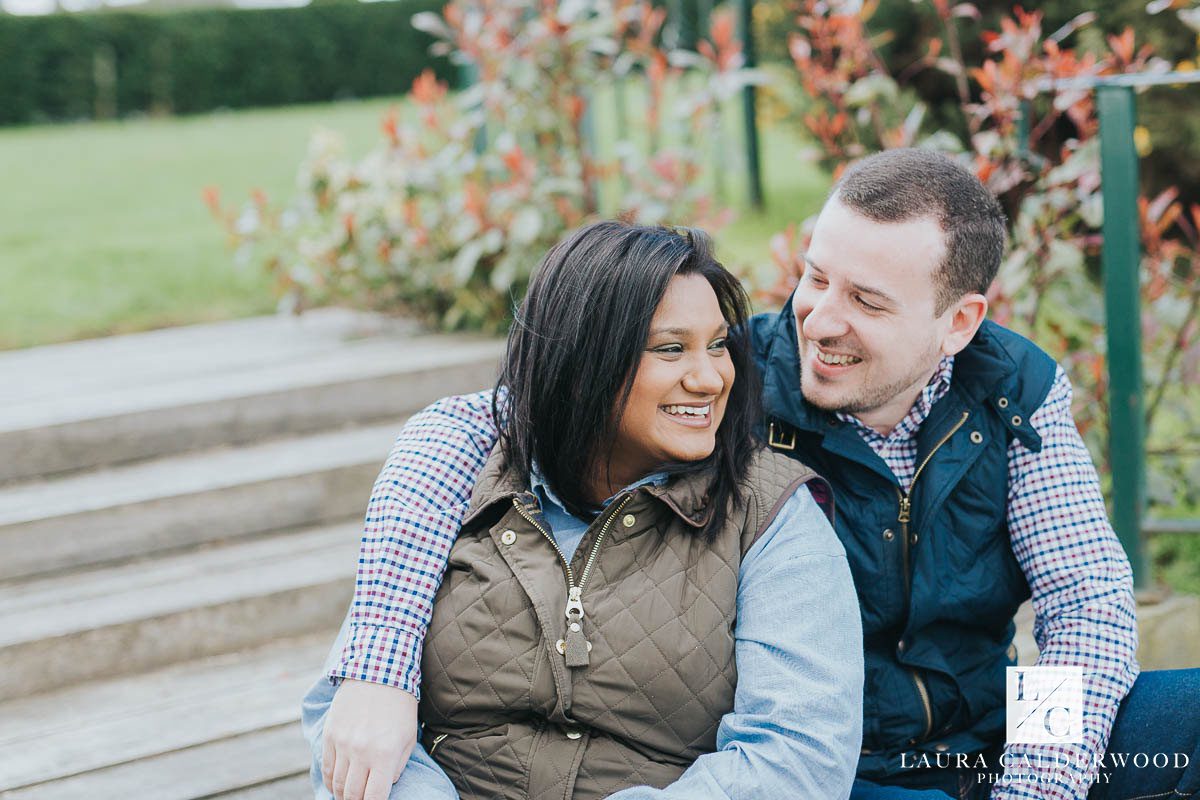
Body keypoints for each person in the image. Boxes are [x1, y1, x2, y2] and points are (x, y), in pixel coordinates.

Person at [312, 149, 1200, 800]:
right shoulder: (737, 375)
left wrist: (1038, 782)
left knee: (1184, 718)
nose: (819, 319)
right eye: (816, 277)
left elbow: (1084, 603)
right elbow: (475, 425)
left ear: (958, 322)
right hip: (834, 763)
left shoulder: (1012, 395)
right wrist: (380, 665)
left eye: (868, 301)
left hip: (985, 741)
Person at [302, 221, 864, 799]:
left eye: (718, 344)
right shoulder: (454, 480)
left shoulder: (772, 515)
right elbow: (349, 720)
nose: (710, 377)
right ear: (582, 362)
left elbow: (799, 757)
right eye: (671, 349)